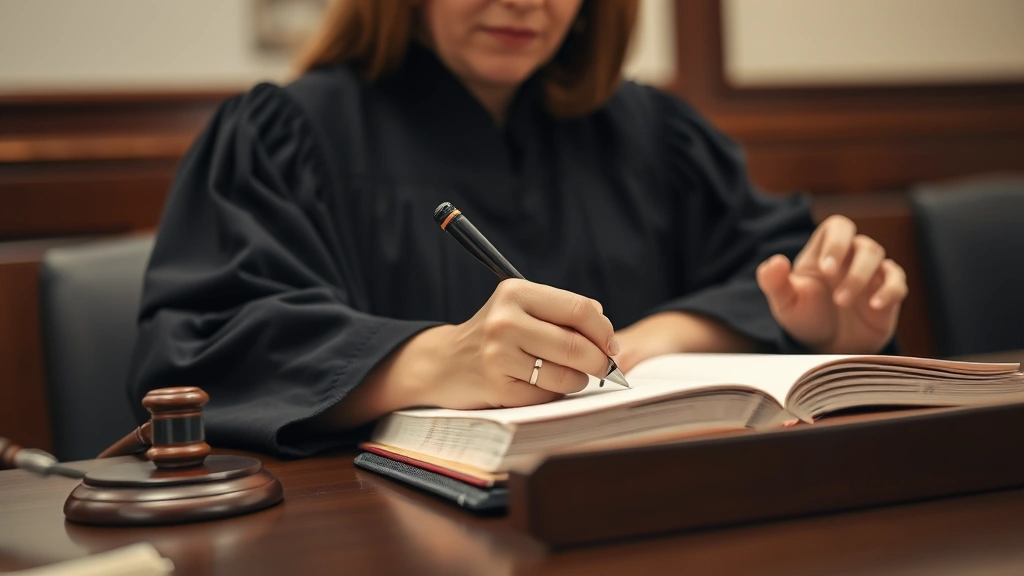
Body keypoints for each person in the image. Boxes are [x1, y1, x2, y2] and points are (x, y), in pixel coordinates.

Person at [127, 0, 907, 456]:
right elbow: (203, 345)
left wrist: (716, 328)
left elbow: (764, 270)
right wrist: (436, 359)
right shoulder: (287, 134)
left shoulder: (655, 136)